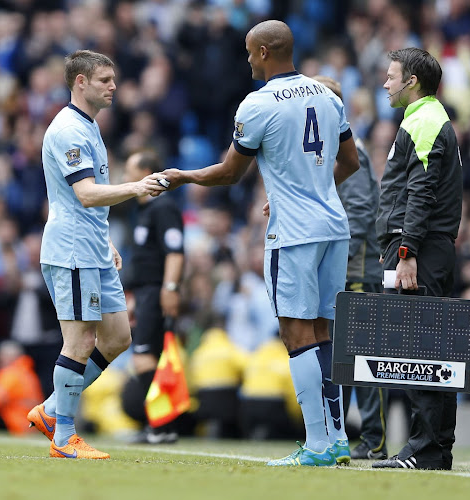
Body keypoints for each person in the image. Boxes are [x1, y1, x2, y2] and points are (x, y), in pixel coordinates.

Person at [161, 20, 360, 466]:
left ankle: (317, 445)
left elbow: (231, 172)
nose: (248, 59)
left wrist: (184, 176)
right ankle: (339, 438)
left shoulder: (258, 104)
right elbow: (351, 161)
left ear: (266, 52)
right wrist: (313, 189)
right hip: (333, 226)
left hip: (293, 232)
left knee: (296, 332)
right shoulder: (327, 94)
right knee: (328, 332)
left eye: (251, 52)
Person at [26, 50, 166, 460]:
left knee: (118, 336)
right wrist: (137, 187)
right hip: (71, 250)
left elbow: (82, 198)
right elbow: (85, 195)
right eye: (105, 79)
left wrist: (104, 240)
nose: (114, 86)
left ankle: (52, 409)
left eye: (114, 79)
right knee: (81, 340)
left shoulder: (89, 126)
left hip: (93, 248)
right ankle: (64, 436)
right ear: (80, 82)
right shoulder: (69, 129)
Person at [371, 48, 463, 470]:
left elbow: (421, 191)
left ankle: (423, 449)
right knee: (435, 350)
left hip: (419, 249)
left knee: (418, 350)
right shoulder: (428, 117)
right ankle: (437, 448)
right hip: (430, 247)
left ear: (411, 81)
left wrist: (406, 251)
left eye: (391, 76)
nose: (385, 84)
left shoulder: (423, 120)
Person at [312, 75, 389, 461]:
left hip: (356, 272)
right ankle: (341, 435)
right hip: (342, 272)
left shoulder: (350, 152)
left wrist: (337, 261)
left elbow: (359, 213)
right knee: (342, 358)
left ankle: (374, 439)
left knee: (363, 359)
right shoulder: (330, 151)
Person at [120, 150, 185, 444]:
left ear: (147, 172)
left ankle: (159, 425)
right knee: (148, 357)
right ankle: (161, 425)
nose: (124, 177)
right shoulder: (143, 211)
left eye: (129, 171)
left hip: (157, 291)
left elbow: (175, 251)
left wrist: (169, 289)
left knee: (145, 357)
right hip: (145, 292)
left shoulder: (164, 208)